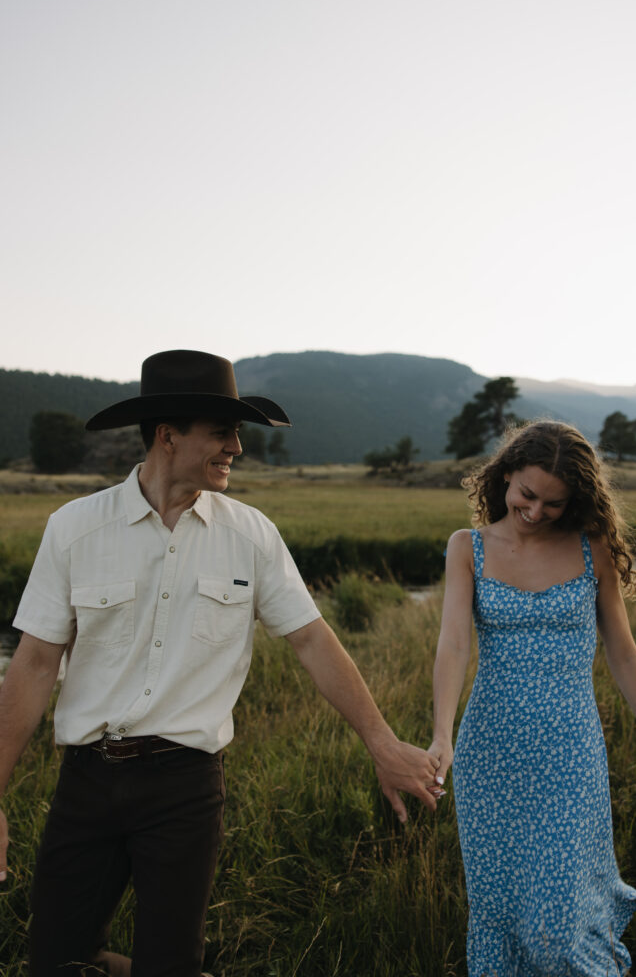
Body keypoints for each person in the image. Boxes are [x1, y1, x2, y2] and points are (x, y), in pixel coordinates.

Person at [0, 349, 441, 977]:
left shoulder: (252, 534)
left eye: (238, 432)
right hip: (87, 783)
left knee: (169, 964)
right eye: (222, 431)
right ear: (167, 435)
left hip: (185, 786)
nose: (237, 446)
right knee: (56, 963)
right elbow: (36, 663)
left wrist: (382, 742)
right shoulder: (73, 529)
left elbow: (312, 641)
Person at [428, 420, 636, 976]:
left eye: (555, 503)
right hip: (489, 757)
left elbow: (624, 653)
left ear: (577, 501)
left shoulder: (593, 549)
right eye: (527, 494)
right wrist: (441, 735)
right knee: (503, 911)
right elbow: (453, 645)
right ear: (506, 475)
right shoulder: (466, 548)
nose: (537, 511)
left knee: (560, 922)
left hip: (569, 757)